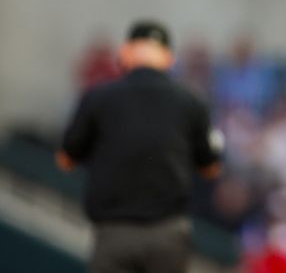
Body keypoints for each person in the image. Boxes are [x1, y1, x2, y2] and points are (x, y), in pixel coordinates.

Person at [56, 20, 223, 273]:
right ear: (168, 57)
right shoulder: (192, 101)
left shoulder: (99, 97)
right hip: (169, 234)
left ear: (126, 52)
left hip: (114, 233)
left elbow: (66, 160)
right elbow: (210, 169)